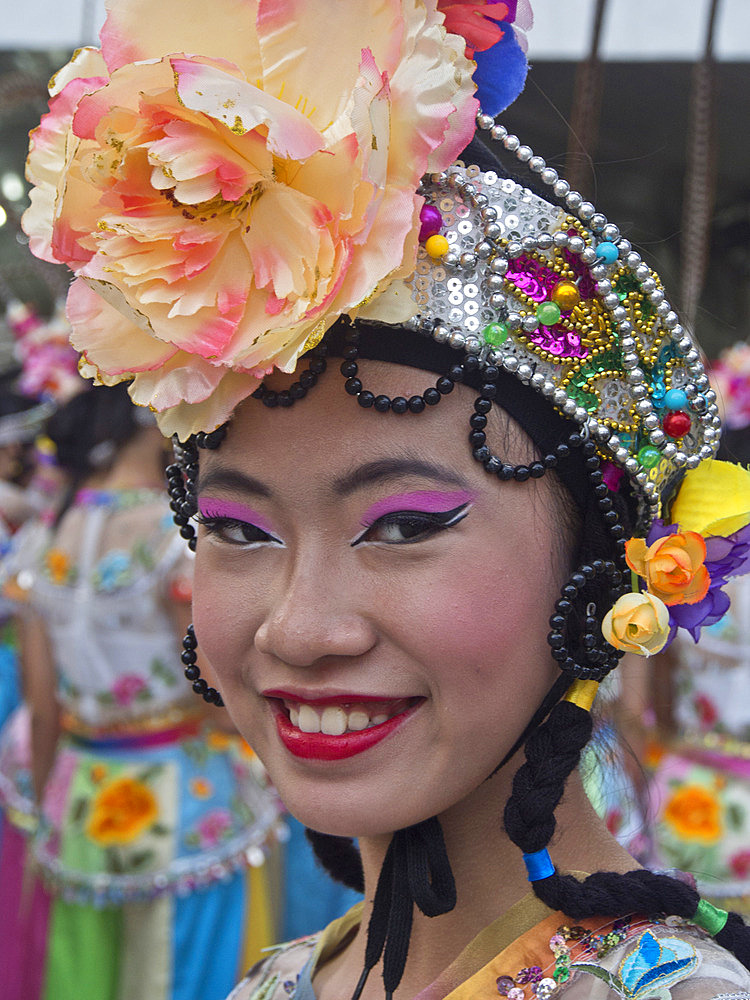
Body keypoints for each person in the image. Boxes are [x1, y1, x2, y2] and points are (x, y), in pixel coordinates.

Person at [20, 2, 750, 998]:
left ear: (603, 568)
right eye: (237, 529)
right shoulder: (282, 980)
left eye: (405, 525)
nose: (301, 627)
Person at [0, 383, 283, 1000]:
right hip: (186, 797)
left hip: (80, 800)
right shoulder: (173, 536)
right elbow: (210, 682)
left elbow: (41, 706)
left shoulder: (42, 540)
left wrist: (48, 816)